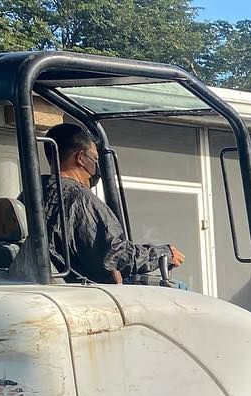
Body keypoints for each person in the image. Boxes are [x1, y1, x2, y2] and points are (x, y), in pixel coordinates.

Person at [41, 122, 184, 285]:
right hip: (87, 290)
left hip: (64, 283)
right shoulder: (79, 197)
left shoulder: (33, 193)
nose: (97, 166)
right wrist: (162, 253)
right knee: (179, 287)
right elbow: (114, 255)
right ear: (80, 158)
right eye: (95, 158)